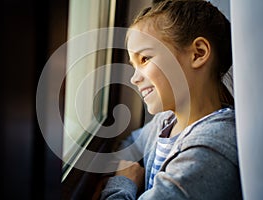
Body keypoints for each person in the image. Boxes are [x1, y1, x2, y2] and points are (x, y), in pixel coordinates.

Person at [100, 0, 242, 199]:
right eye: (134, 65)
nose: (134, 78)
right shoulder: (165, 122)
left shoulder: (208, 151)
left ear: (198, 53)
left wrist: (124, 182)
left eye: (145, 59)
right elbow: (132, 143)